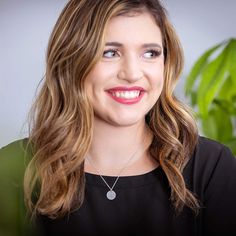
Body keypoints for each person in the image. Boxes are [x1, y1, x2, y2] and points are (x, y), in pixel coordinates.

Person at [0, 0, 236, 235]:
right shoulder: (13, 170)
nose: (132, 73)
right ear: (71, 61)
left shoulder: (211, 167)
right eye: (110, 52)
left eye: (150, 53)